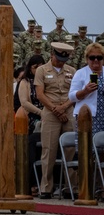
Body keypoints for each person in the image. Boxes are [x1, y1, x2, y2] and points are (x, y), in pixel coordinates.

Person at [34, 41, 77, 198]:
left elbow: (75, 93)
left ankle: (70, 187)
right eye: (59, 58)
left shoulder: (72, 71)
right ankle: (46, 187)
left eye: (64, 59)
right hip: (50, 113)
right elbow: (40, 94)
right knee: (48, 150)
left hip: (68, 111)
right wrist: (55, 110)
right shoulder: (42, 70)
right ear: (52, 54)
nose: (61, 62)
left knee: (71, 150)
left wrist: (63, 108)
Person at [69, 42, 104, 134]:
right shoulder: (80, 73)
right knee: (87, 146)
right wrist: (85, 91)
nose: (96, 60)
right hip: (87, 117)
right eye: (92, 57)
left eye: (99, 57)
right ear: (87, 59)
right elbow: (71, 97)